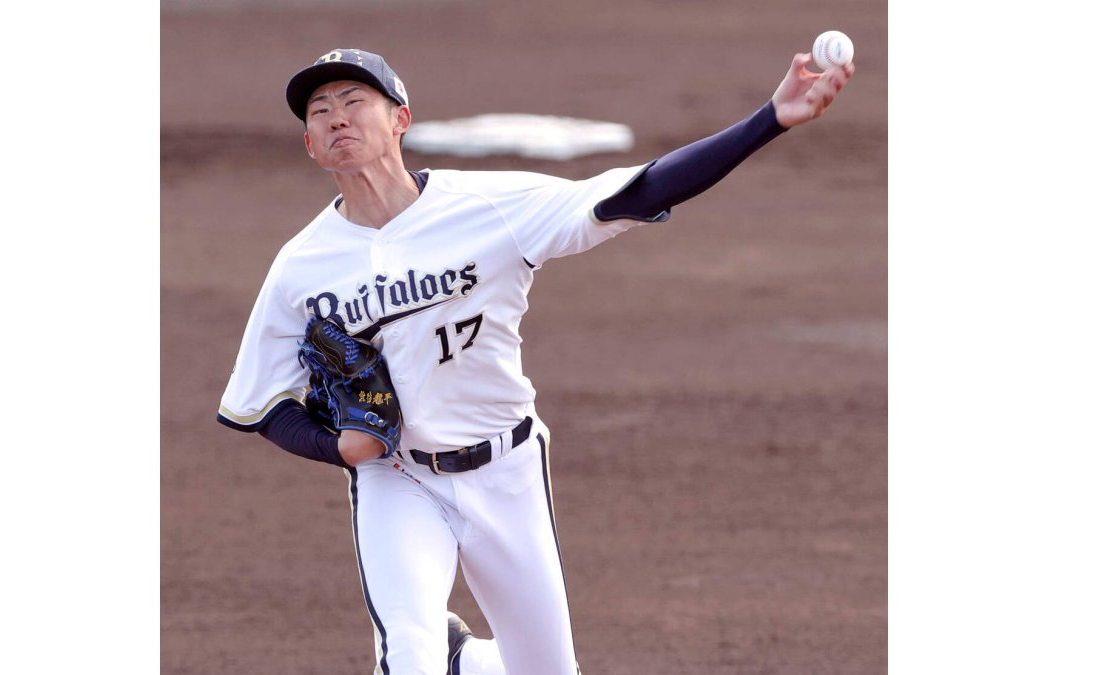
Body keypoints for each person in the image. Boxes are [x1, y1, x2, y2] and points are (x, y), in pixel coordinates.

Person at [217, 47, 854, 675]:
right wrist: (341, 450)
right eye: (320, 111)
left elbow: (638, 192)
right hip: (399, 480)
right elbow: (259, 402)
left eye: (354, 102)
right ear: (309, 145)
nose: (336, 118)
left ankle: (465, 661)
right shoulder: (300, 268)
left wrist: (769, 118)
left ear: (400, 119)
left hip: (507, 469)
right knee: (407, 655)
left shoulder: (490, 206)